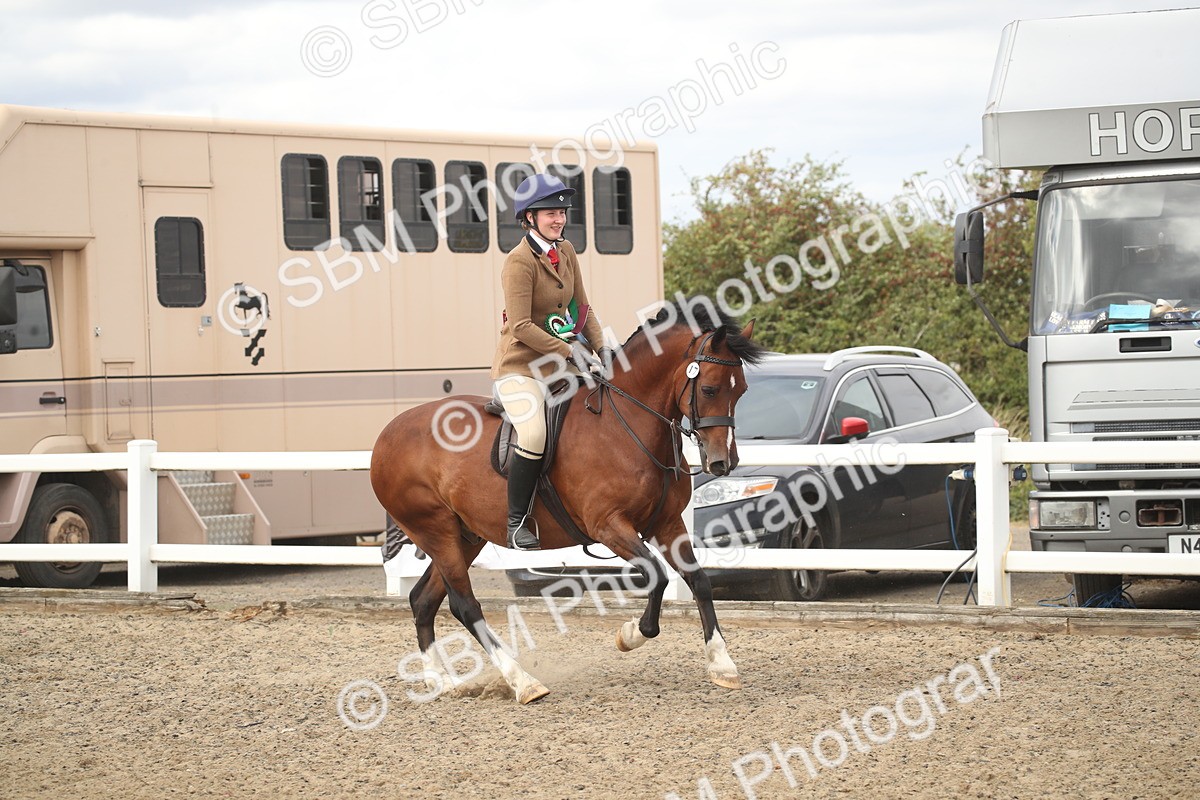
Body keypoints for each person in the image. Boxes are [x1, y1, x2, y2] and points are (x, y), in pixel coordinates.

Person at [492, 173, 612, 550]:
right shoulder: (518, 263)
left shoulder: (568, 251)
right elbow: (522, 325)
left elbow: (583, 307)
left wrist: (603, 350)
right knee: (534, 434)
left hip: (563, 363)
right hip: (521, 366)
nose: (558, 219)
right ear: (529, 217)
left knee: (599, 413)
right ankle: (516, 521)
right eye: (549, 213)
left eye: (561, 211)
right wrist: (568, 351)